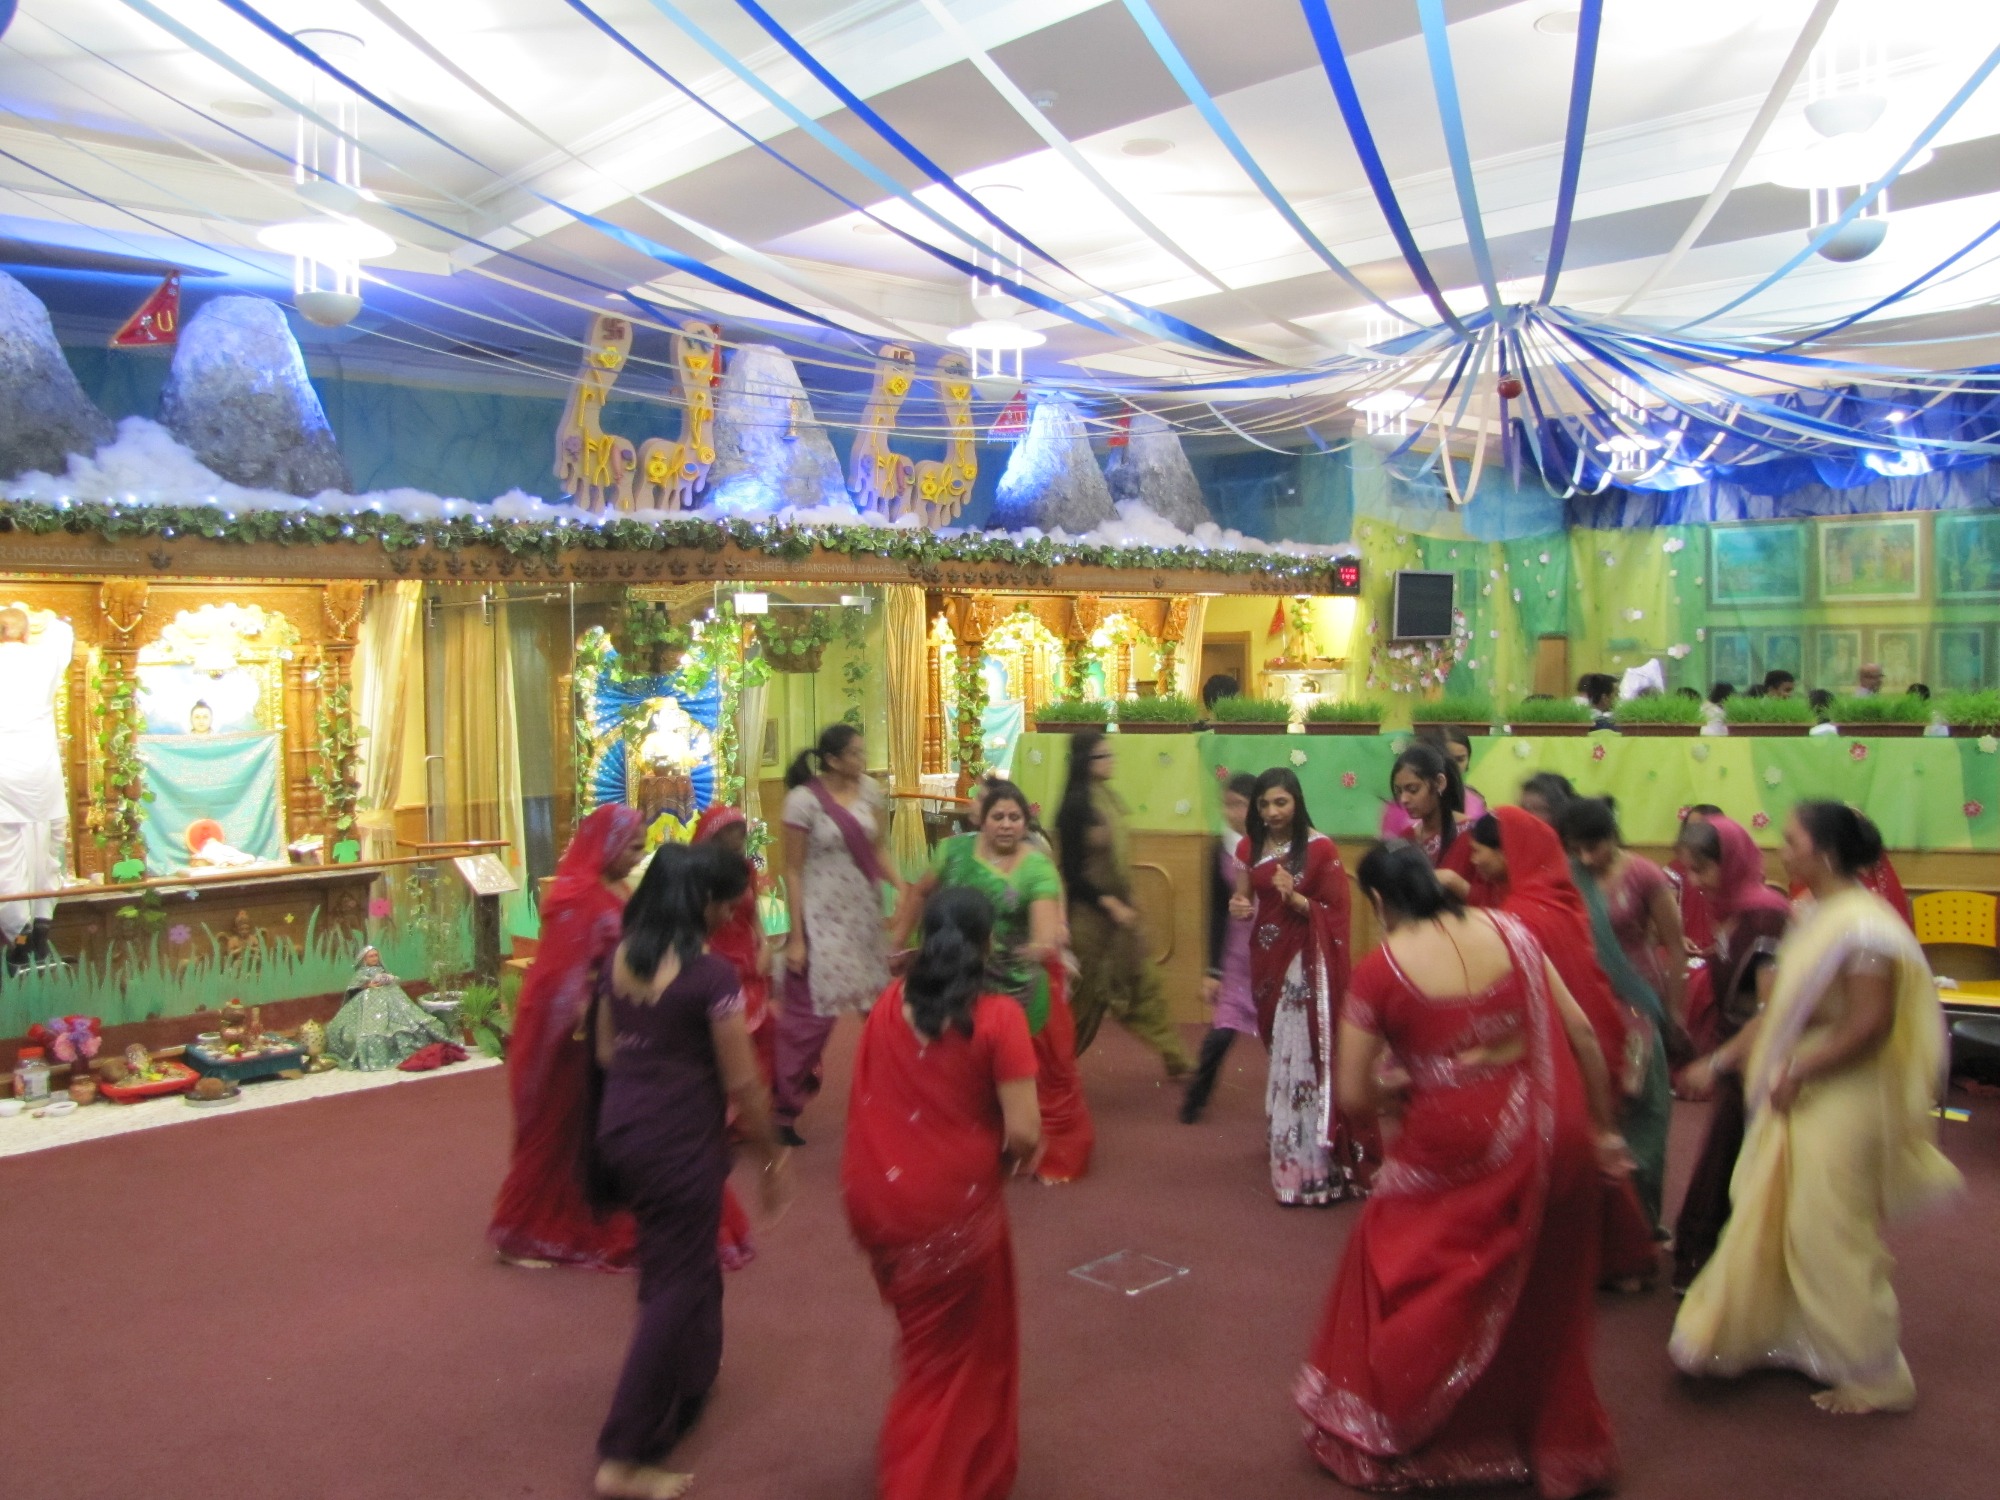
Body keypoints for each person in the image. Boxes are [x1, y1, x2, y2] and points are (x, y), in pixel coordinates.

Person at [1296, 843, 1623, 1497]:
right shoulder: (1515, 934)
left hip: (1453, 1148)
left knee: (1402, 1264)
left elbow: (1355, 1098)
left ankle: (1404, 1425)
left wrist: (1402, 1086)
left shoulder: (1382, 969)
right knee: (1533, 1288)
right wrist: (1605, 1131)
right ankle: (1525, 1435)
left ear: (1382, 903)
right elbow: (1582, 1034)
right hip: (1551, 1135)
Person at [1671, 803, 1961, 1414]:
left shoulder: (1864, 927)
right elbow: (1778, 1012)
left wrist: (1800, 1068)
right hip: (1800, 1084)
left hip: (1843, 1090)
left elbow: (1870, 1024)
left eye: (1793, 840)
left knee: (1827, 1227)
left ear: (1825, 853)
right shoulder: (1809, 913)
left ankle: (1877, 1373)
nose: (1783, 850)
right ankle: (1796, 1340)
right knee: (1773, 1211)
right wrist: (1735, 1061)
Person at [592, 843, 789, 1500]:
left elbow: (604, 1049)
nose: (733, 911)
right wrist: (770, 1155)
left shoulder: (618, 959)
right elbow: (745, 1084)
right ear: (702, 903)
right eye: (727, 902)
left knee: (684, 1266)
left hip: (623, 1127)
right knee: (673, 1288)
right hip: (678, 1142)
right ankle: (622, 1457)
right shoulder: (709, 979)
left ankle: (693, 1379)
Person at [843, 886, 1041, 1500]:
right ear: (986, 944)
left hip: (877, 1199)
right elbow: (1026, 1131)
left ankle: (955, 1464)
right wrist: (1010, 1162)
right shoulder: (998, 1017)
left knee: (927, 1345)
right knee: (952, 1362)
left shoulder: (887, 1004)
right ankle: (924, 1479)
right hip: (950, 1212)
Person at [1453, 808, 1658, 1282]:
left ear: (1510, 853)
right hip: (1581, 1039)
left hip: (1553, 1048)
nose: (1475, 862)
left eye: (1480, 852)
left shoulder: (1522, 916)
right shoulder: (1550, 899)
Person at [891, 778, 1091, 1183]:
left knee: (1043, 1073)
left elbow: (1045, 926)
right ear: (982, 820)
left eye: (1014, 817)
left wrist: (1040, 943)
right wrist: (899, 944)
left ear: (1025, 823)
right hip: (964, 979)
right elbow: (920, 894)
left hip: (1022, 985)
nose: (1005, 824)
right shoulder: (954, 852)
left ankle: (1044, 1150)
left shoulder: (1036, 864)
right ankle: (971, 1144)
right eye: (997, 815)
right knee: (958, 1065)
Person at [489, 805, 646, 1271]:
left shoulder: (612, 888)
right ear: (609, 844)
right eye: (634, 847)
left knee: (594, 1129)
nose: (638, 857)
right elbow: (562, 976)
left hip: (604, 1020)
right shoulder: (577, 896)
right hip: (568, 1031)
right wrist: (585, 1017)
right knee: (560, 1128)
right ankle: (529, 1231)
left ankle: (590, 1208)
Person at [1229, 767, 1367, 1204]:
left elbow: (1338, 913)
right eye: (1264, 804)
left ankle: (1309, 1163)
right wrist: (1238, 904)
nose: (1271, 811)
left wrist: (1296, 899)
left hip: (1306, 966)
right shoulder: (1249, 847)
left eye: (1280, 803)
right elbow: (1244, 897)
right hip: (1266, 960)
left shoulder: (1321, 850)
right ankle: (1288, 1139)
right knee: (1279, 1051)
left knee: (1302, 1053)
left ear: (1297, 802)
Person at [1668, 813, 1791, 1293]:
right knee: (1727, 1156)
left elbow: (1773, 1009)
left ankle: (1737, 1277)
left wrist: (1719, 1061)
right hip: (1738, 1052)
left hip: (1761, 1058)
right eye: (1689, 871)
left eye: (1702, 870)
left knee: (1742, 1160)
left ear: (1732, 861)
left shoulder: (1764, 914)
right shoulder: (1732, 907)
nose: (1694, 883)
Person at [1558, 796, 1685, 1231]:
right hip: (1586, 1003)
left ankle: (1642, 1226)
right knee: (1595, 1111)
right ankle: (1598, 1233)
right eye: (1577, 848)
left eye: (1595, 846)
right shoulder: (1569, 875)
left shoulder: (1645, 875)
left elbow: (1676, 947)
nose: (1587, 857)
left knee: (1643, 1113)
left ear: (1613, 836)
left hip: (1637, 1003)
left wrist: (1676, 1013)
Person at [776, 723, 899, 1146]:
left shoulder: (869, 792)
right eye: (855, 754)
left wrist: (902, 887)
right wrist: (796, 936)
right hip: (820, 916)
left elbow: (878, 848)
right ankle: (781, 1110)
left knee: (883, 1014)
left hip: (862, 914)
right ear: (832, 760)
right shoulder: (802, 801)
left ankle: (897, 1099)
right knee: (809, 1023)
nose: (862, 761)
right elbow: (791, 870)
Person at [1054, 731, 1191, 1074]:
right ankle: (1049, 1070)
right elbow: (1070, 873)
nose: (1111, 761)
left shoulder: (1109, 800)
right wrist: (1109, 904)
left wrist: (1127, 900)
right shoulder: (1074, 810)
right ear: (1086, 763)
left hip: (1120, 917)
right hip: (1089, 919)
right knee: (1083, 1004)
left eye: (1109, 754)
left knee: (1143, 985)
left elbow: (1117, 862)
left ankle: (1175, 1056)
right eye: (1103, 756)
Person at [1181, 773, 1258, 1124]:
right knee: (1222, 1032)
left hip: (1270, 951)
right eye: (1227, 804)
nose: (1232, 812)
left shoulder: (1274, 844)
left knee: (1283, 1037)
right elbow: (1215, 910)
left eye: (1240, 804)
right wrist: (1213, 970)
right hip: (1237, 955)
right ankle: (1196, 1096)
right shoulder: (1221, 847)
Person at [0, 606, 74, 966]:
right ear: (25, 634)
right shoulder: (43, 657)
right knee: (48, 850)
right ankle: (43, 923)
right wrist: (39, 615)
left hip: (3, 772)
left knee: (7, 859)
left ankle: (20, 936)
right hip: (41, 772)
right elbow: (63, 629)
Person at [326, 943, 454, 1072]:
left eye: (376, 955)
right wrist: (367, 985)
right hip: (368, 1002)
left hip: (391, 997)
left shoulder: (382, 971)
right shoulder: (360, 973)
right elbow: (353, 989)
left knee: (410, 1018)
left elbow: (392, 979)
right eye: (371, 956)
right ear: (364, 959)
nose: (374, 958)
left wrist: (388, 980)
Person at [1379, 727, 1486, 843]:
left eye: (1460, 759)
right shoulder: (1403, 821)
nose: (1404, 799)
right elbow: (1389, 856)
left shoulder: (1471, 820)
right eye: (1399, 791)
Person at [1385, 740, 1468, 870]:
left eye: (1413, 789)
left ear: (1440, 783)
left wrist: (1451, 881)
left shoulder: (1471, 833)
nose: (1404, 799)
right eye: (1399, 791)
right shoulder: (1406, 837)